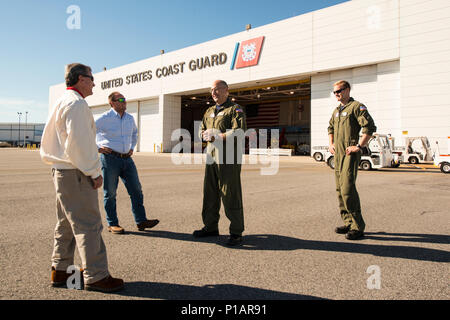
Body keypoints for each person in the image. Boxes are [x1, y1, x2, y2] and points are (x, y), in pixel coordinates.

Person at [40, 63, 124, 292]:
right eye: (91, 78)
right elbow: (79, 145)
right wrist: (95, 173)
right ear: (80, 79)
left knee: (67, 223)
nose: (94, 82)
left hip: (62, 172)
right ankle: (96, 276)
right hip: (76, 171)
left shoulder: (62, 101)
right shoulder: (76, 104)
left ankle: (60, 271)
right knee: (88, 224)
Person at [95, 92, 159, 234]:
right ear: (112, 103)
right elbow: (88, 131)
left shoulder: (129, 118)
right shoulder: (104, 118)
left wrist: (131, 147)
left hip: (127, 159)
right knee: (110, 193)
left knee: (136, 190)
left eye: (125, 100)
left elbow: (135, 134)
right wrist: (98, 148)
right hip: (110, 159)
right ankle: (112, 224)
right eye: (121, 100)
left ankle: (141, 221)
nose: (125, 102)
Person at [193, 80, 247, 246]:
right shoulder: (209, 111)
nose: (213, 93)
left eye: (217, 89)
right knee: (210, 194)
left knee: (230, 194)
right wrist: (203, 135)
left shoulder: (234, 109)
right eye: (212, 90)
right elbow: (201, 129)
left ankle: (236, 232)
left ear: (226, 91)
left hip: (228, 159)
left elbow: (239, 131)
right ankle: (210, 227)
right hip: (211, 157)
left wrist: (218, 136)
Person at [328, 80, 376, 240]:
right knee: (339, 191)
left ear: (347, 90)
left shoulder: (357, 107)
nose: (336, 94)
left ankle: (358, 226)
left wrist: (359, 146)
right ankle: (348, 222)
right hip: (338, 154)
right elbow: (330, 128)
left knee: (348, 190)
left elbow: (369, 127)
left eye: (339, 90)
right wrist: (331, 143)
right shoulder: (336, 111)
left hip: (349, 154)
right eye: (334, 92)